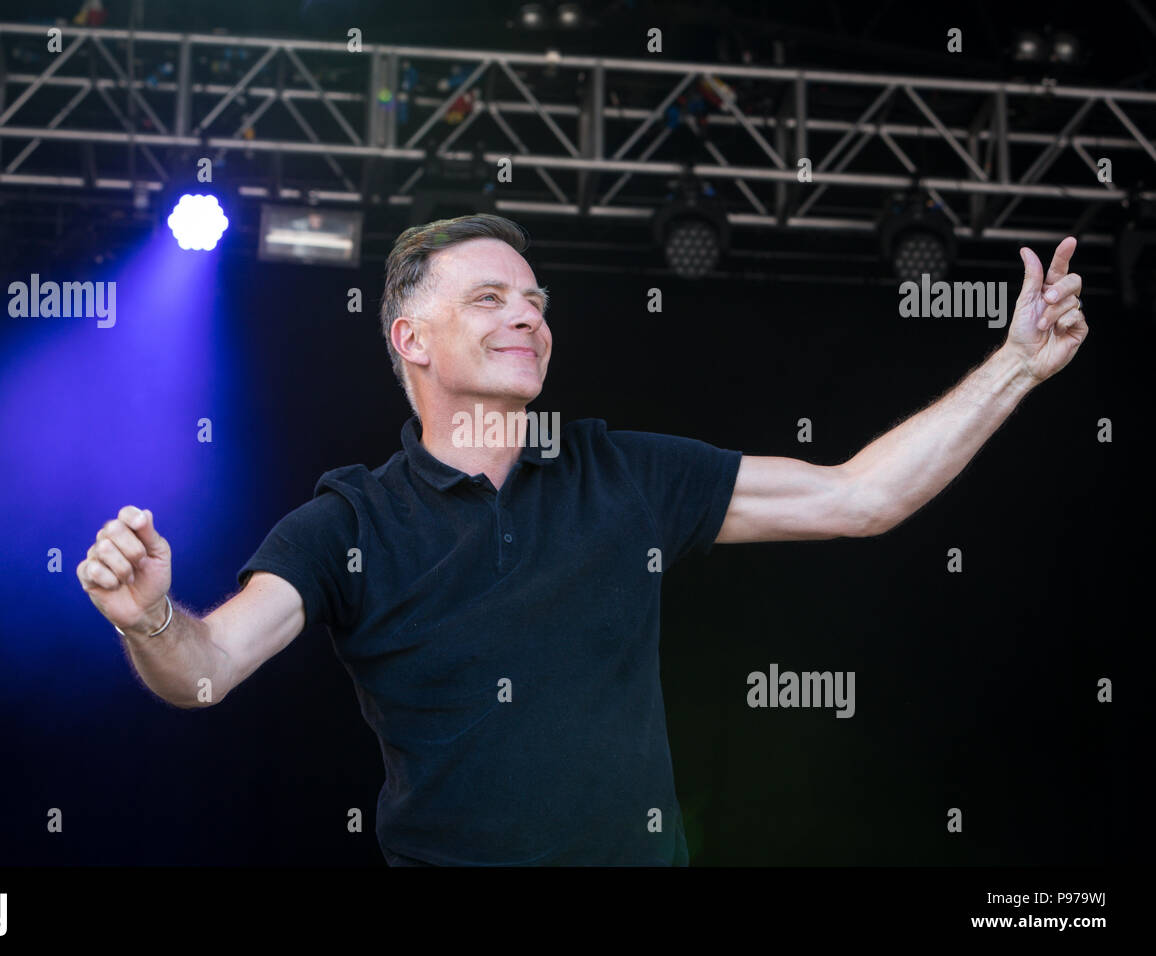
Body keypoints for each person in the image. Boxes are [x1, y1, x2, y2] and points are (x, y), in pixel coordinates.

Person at [77, 214, 1088, 865]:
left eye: (534, 301)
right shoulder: (351, 521)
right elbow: (204, 668)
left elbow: (860, 494)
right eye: (489, 297)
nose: (527, 317)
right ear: (410, 338)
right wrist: (151, 615)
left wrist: (1016, 366)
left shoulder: (624, 472)